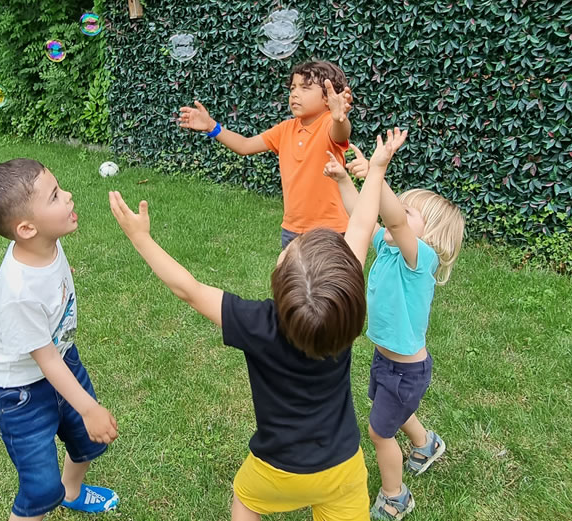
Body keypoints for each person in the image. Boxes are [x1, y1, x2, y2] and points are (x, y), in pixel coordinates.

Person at [110, 130, 406, 521]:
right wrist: (379, 166)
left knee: (246, 501)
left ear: (279, 281)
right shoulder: (342, 310)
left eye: (289, 251)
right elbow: (365, 222)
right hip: (342, 467)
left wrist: (140, 237)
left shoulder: (259, 323)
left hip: (276, 469)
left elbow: (189, 290)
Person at [324, 133, 465, 520]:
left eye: (406, 211)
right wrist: (344, 181)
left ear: (430, 233)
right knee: (392, 411)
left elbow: (394, 218)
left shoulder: (420, 258)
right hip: (386, 358)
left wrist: (378, 171)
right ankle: (426, 443)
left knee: (379, 432)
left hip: (406, 370)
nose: (395, 212)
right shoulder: (388, 245)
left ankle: (395, 496)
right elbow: (364, 214)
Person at [0, 159, 119, 520]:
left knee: (85, 442)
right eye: (55, 196)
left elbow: (56, 356)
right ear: (26, 228)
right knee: (40, 486)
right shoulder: (18, 292)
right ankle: (51, 496)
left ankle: (73, 492)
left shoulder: (45, 242)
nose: (68, 197)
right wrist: (89, 408)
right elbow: (45, 359)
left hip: (64, 357)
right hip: (20, 391)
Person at [179, 61, 353, 248]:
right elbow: (245, 146)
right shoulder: (285, 129)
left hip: (330, 230)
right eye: (292, 88)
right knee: (291, 278)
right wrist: (212, 127)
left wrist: (339, 117)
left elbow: (341, 133)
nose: (294, 93)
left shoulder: (329, 124)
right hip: (292, 229)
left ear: (328, 98)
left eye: (305, 88)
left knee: (327, 278)